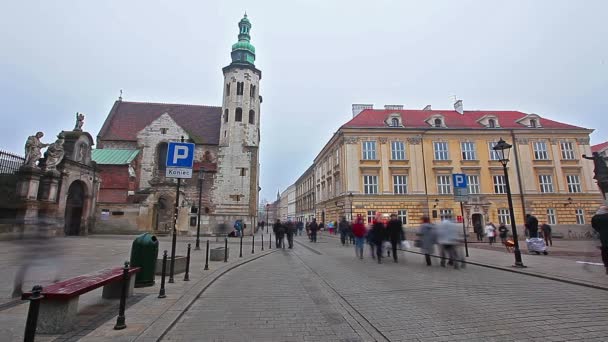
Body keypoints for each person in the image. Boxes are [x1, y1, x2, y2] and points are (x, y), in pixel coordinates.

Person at [591, 205, 608, 275]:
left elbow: (594, 227)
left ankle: (607, 267)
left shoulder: (594, 218)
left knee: (605, 253)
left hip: (603, 239)